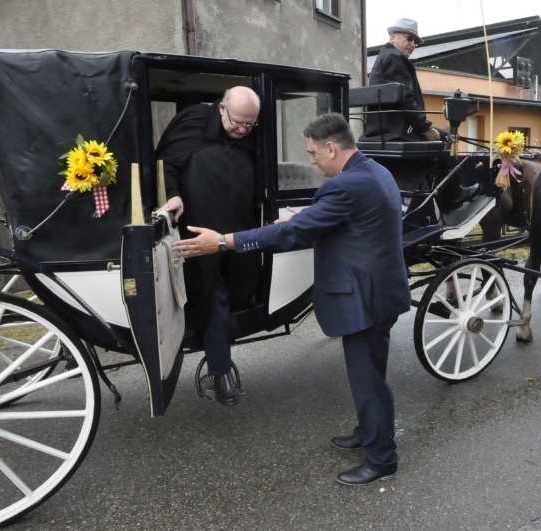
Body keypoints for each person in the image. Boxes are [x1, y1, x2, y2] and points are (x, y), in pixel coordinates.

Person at [173, 112, 411, 486]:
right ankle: (369, 432)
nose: (311, 160)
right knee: (371, 374)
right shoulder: (374, 171)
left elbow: (293, 234)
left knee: (368, 380)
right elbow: (351, 218)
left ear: (331, 148)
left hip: (365, 298)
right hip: (381, 290)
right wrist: (310, 216)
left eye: (313, 152)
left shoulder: (344, 187)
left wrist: (221, 241)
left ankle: (382, 459)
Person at [156, 86, 263, 406]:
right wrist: (172, 194)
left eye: (249, 125)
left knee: (237, 294)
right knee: (213, 295)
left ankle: (219, 359)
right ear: (221, 108)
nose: (242, 130)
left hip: (240, 231)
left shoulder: (251, 132)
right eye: (237, 122)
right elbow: (166, 162)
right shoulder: (192, 122)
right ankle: (220, 372)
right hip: (199, 232)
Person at [363, 17, 479, 206]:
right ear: (393, 37)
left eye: (415, 41)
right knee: (446, 140)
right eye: (408, 38)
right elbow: (406, 99)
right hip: (396, 131)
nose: (412, 44)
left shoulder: (382, 58)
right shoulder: (396, 58)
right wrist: (425, 127)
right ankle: (454, 194)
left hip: (380, 129)